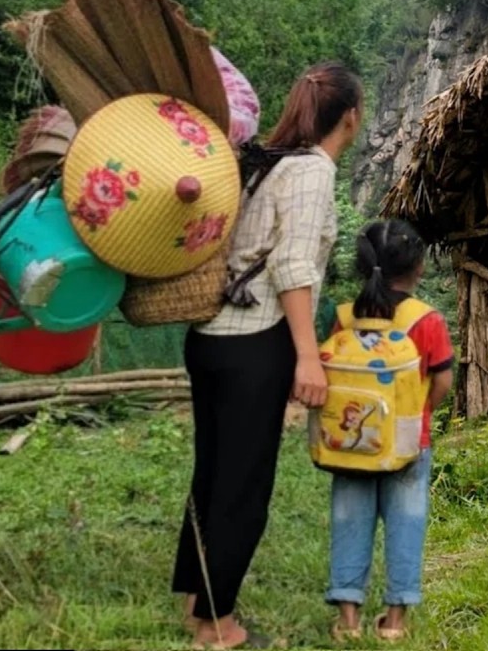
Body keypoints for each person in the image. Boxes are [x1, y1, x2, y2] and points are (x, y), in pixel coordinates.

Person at [172, 61, 362, 650]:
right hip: (256, 342)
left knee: (213, 474)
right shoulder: (311, 171)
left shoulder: (261, 164)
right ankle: (217, 626)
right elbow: (292, 266)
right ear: (350, 118)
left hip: (209, 337)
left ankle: (195, 601)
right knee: (244, 487)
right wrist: (307, 357)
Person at [326, 220, 454, 641]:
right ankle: (395, 623)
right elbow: (442, 381)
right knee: (406, 526)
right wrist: (420, 412)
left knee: (349, 523)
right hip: (408, 441)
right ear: (419, 267)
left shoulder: (345, 318)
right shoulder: (427, 320)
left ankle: (348, 621)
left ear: (364, 265)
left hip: (351, 443)